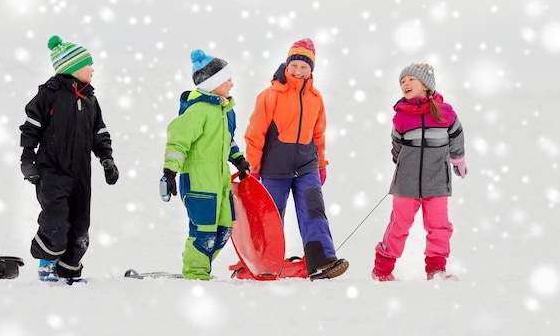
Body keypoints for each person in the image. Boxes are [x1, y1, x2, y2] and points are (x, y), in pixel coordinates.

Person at [244, 38, 348, 280]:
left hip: (306, 166)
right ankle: (263, 263)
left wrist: (321, 164)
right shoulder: (270, 95)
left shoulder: (315, 98)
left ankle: (321, 262)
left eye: (305, 66)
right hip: (273, 168)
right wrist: (254, 168)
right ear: (287, 65)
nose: (299, 71)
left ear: (312, 69)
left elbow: (318, 134)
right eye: (295, 65)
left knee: (313, 210)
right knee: (269, 216)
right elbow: (255, 134)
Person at [19, 35, 119, 282]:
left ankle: (68, 270)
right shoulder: (49, 95)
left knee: (80, 226)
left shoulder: (90, 100)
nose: (93, 69)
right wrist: (27, 157)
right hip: (52, 169)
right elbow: (31, 126)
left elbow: (99, 132)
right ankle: (47, 263)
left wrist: (107, 159)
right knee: (56, 220)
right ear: (73, 67)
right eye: (88, 64)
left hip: (80, 173)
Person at [160, 49, 251, 280]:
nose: (231, 84)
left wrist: (238, 159)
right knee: (203, 231)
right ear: (213, 83)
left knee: (223, 230)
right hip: (199, 183)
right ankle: (195, 273)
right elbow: (178, 141)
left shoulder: (225, 112)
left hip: (219, 182)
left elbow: (227, 140)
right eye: (227, 79)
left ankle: (197, 261)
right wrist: (170, 172)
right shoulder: (198, 111)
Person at [372, 63, 467, 282]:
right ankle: (382, 270)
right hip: (406, 183)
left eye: (410, 80)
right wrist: (401, 163)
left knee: (439, 226)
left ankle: (436, 271)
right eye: (402, 82)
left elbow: (456, 137)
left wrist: (458, 159)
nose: (405, 84)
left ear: (425, 85)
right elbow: (396, 145)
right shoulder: (401, 116)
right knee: (399, 225)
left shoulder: (445, 112)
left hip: (437, 181)